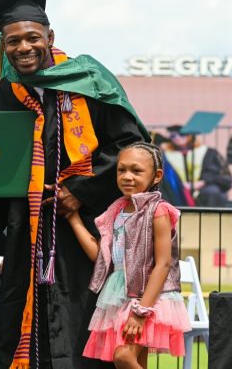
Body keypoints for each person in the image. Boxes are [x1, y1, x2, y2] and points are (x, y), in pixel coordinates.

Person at [0, 0, 149, 369]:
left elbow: (132, 147)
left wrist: (80, 191)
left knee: (85, 325)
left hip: (87, 233)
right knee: (22, 326)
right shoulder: (1, 97)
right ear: (3, 46)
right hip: (25, 235)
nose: (23, 48)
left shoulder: (88, 81)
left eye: (32, 37)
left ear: (50, 37)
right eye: (13, 41)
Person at [67, 142, 191, 368]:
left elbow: (163, 264)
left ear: (156, 176)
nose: (127, 176)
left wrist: (142, 310)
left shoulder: (158, 210)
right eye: (121, 169)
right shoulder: (116, 210)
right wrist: (73, 219)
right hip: (119, 294)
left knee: (123, 356)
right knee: (134, 361)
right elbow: (101, 257)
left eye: (136, 170)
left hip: (149, 297)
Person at [164, 124, 232, 207]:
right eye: (173, 136)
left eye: (182, 134)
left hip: (203, 191)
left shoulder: (208, 153)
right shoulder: (165, 155)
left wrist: (202, 182)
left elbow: (223, 177)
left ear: (190, 136)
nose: (177, 138)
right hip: (177, 192)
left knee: (212, 192)